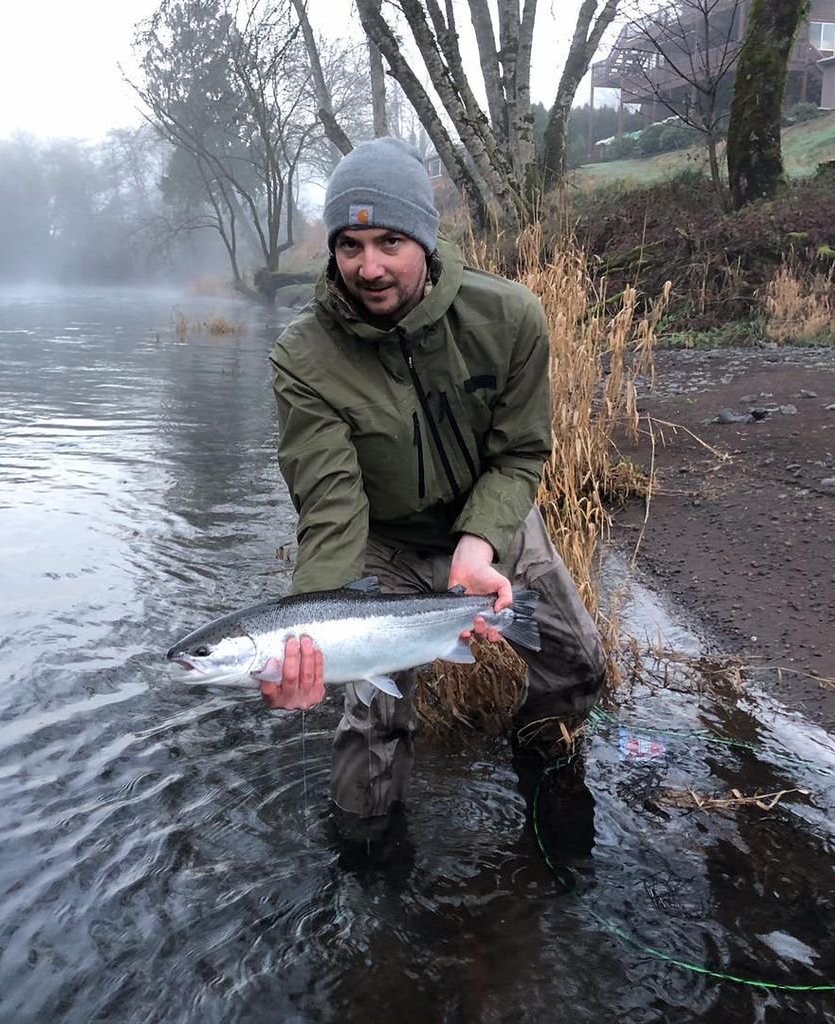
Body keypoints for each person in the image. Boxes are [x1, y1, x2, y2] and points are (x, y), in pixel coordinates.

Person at [265, 137, 606, 822]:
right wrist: (308, 635)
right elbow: (330, 501)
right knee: (372, 730)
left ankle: (539, 760)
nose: (370, 267)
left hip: (490, 517)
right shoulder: (303, 356)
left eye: (390, 241)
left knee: (577, 663)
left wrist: (477, 545)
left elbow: (518, 457)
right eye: (350, 245)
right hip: (381, 542)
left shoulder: (508, 318)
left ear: (426, 236)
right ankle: (367, 856)